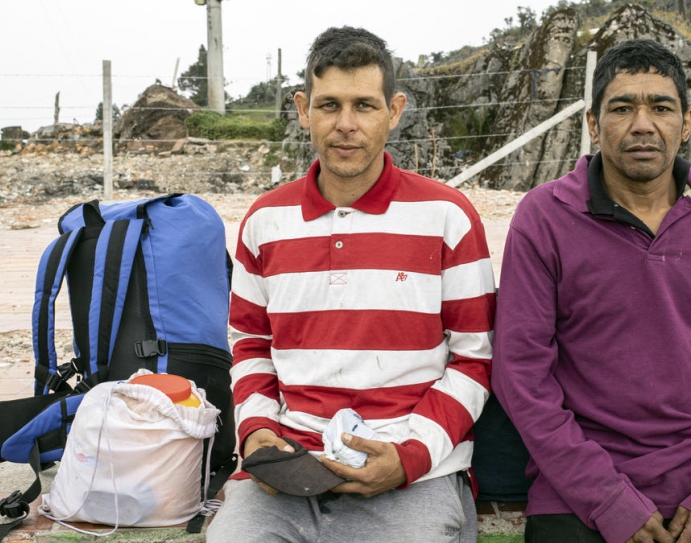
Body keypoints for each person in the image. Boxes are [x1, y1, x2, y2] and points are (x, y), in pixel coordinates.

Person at [205, 26, 495, 543]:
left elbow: (476, 357)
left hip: (412, 470)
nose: (345, 125)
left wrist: (410, 457)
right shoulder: (265, 221)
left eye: (364, 105)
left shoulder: (447, 216)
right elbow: (250, 346)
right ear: (302, 109)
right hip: (287, 469)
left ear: (395, 110)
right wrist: (258, 432)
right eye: (328, 105)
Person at [491, 38, 691, 543]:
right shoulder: (544, 217)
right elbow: (521, 375)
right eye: (622, 108)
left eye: (661, 108)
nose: (642, 124)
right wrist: (608, 499)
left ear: (685, 123)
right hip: (578, 492)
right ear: (594, 125)